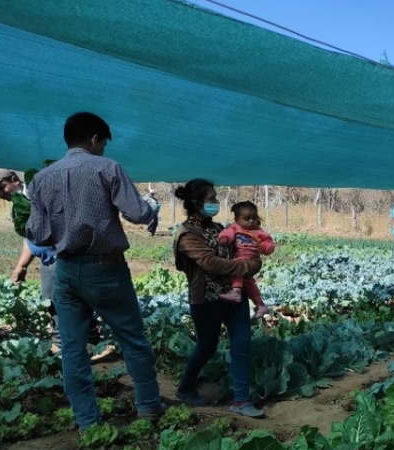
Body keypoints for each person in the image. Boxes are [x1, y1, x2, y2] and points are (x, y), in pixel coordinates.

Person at [25, 112, 165, 430]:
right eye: (102, 143)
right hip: (106, 270)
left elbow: (37, 234)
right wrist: (152, 207)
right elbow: (137, 213)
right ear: (94, 139)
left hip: (65, 271)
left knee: (73, 349)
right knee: (133, 340)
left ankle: (88, 422)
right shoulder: (107, 168)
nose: (103, 148)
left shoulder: (42, 179)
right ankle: (148, 408)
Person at [172, 179, 264, 418]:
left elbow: (244, 251)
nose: (216, 202)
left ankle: (241, 400)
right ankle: (185, 388)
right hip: (206, 300)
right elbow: (210, 263)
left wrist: (253, 261)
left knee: (242, 345)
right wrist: (245, 267)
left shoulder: (220, 228)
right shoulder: (186, 235)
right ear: (196, 203)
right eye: (211, 199)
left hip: (235, 296)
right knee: (207, 346)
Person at [0, 168, 99, 347]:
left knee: (69, 302)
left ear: (14, 179)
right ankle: (76, 342)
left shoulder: (40, 194)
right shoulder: (18, 207)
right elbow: (29, 238)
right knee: (51, 302)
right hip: (48, 260)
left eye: (1, 187)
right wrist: (21, 265)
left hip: (66, 256)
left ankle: (75, 344)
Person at [217, 201, 275, 319]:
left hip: (253, 262)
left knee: (236, 265)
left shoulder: (259, 232)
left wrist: (264, 247)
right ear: (237, 219)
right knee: (248, 282)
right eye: (247, 218)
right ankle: (260, 305)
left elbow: (270, 245)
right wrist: (224, 238)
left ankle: (236, 292)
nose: (251, 221)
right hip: (243, 261)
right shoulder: (235, 227)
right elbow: (227, 233)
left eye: (254, 218)